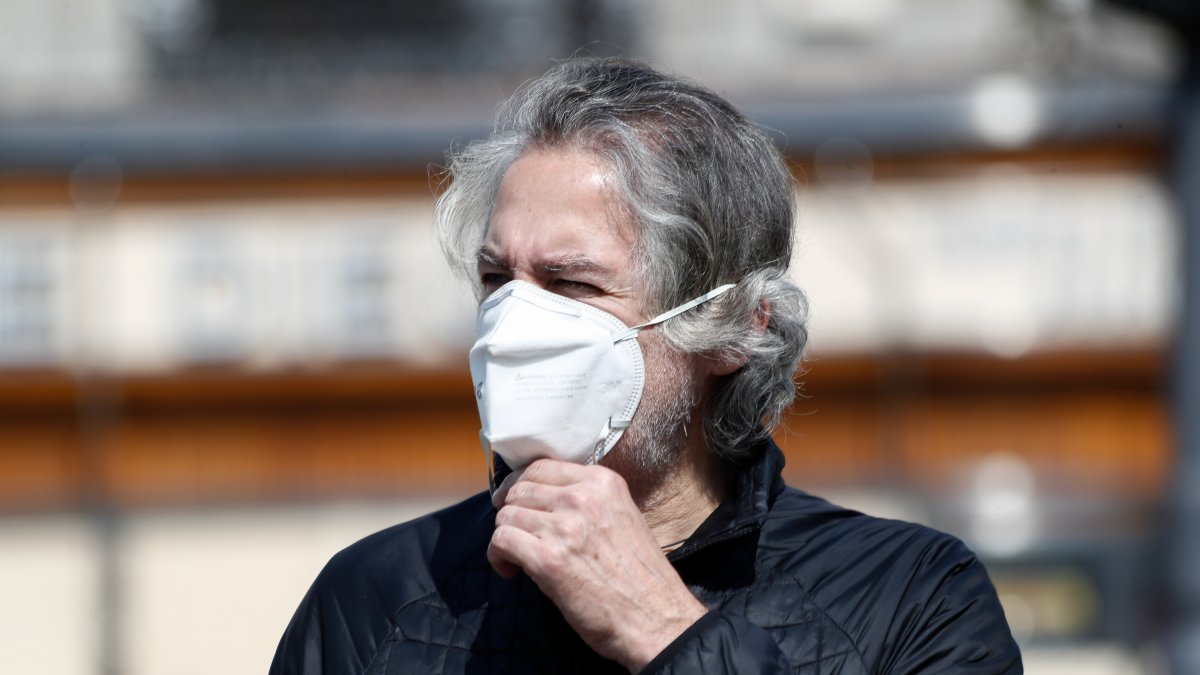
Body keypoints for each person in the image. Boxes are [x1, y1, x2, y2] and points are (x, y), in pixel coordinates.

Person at [270, 58, 1022, 674]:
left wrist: (661, 627)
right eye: (498, 279)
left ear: (731, 329)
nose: (513, 324)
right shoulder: (374, 599)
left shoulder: (912, 597)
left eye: (571, 284)